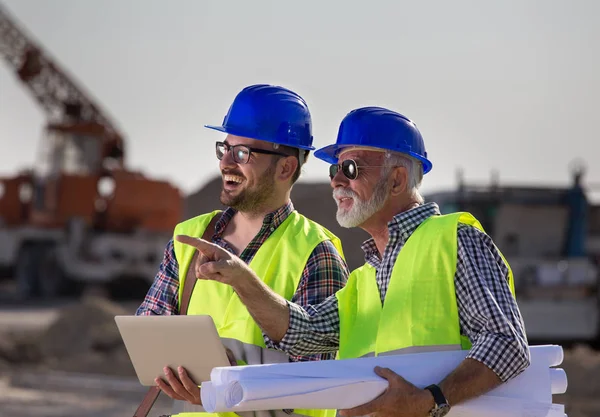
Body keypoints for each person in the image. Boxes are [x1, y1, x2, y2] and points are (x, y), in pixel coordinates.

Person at [176, 106, 531, 417]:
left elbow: (507, 343)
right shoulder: (364, 279)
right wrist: (241, 278)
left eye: (349, 168)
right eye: (334, 170)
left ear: (397, 179)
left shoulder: (454, 240)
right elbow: (303, 332)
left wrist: (429, 400)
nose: (336, 181)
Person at [136, 84, 349, 417]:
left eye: (242, 153)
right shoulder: (189, 237)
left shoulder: (316, 252)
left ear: (285, 168)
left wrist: (232, 387)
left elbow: (312, 385)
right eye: (224, 148)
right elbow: (149, 336)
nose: (225, 163)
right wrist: (179, 374)